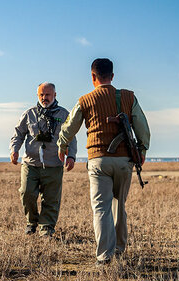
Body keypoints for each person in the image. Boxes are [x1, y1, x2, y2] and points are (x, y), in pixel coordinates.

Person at [57, 58, 150, 264]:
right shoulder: (128, 97)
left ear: (93, 77)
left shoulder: (85, 100)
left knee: (101, 208)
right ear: (113, 76)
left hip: (98, 160)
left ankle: (104, 257)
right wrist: (142, 149)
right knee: (119, 205)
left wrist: (62, 146)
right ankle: (119, 249)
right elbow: (142, 125)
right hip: (125, 159)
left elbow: (69, 127)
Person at [10, 82, 77, 237]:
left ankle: (46, 228)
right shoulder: (29, 113)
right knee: (27, 193)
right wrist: (14, 150)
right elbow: (18, 134)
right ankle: (31, 223)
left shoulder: (63, 114)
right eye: (41, 94)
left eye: (47, 95)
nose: (44, 98)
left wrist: (71, 156)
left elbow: (71, 138)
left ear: (54, 95)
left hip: (54, 163)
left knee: (51, 199)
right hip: (30, 163)